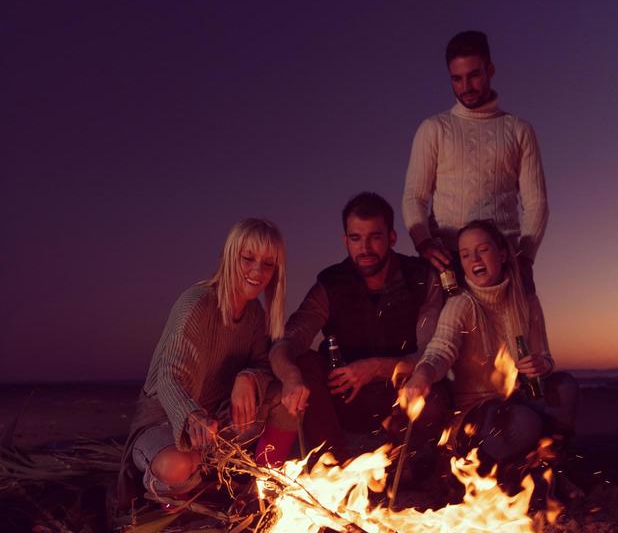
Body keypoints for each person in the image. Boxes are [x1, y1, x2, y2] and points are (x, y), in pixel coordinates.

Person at [117, 218, 295, 510]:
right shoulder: (196, 303)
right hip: (165, 422)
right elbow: (168, 377)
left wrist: (247, 378)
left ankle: (261, 488)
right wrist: (191, 415)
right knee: (176, 467)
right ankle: (185, 493)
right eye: (248, 259)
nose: (257, 272)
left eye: (268, 264)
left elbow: (263, 363)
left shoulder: (255, 315)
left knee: (285, 399)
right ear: (229, 256)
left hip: (216, 424)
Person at [270, 192, 449, 470]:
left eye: (374, 237)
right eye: (355, 238)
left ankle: (410, 466)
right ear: (345, 241)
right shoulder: (331, 284)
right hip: (346, 401)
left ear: (391, 237)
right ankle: (334, 468)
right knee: (305, 363)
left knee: (434, 393)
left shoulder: (421, 278)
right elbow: (286, 342)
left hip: (401, 398)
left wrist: (376, 368)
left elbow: (430, 353)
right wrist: (291, 377)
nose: (364, 248)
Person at [400, 219, 578, 481]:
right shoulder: (460, 304)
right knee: (525, 422)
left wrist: (542, 364)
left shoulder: (527, 301)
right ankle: (485, 473)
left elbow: (546, 357)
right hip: (477, 412)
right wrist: (423, 374)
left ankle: (547, 471)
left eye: (482, 249)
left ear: (502, 253)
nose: (474, 259)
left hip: (519, 398)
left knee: (565, 387)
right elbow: (439, 350)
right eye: (465, 254)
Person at [402, 31, 548, 288]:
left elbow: (536, 203)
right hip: (447, 264)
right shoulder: (434, 128)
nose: (465, 87)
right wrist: (423, 243)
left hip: (505, 262)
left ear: (490, 69)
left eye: (474, 75)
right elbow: (415, 197)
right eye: (457, 79)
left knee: (522, 329)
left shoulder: (518, 130)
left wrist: (526, 258)